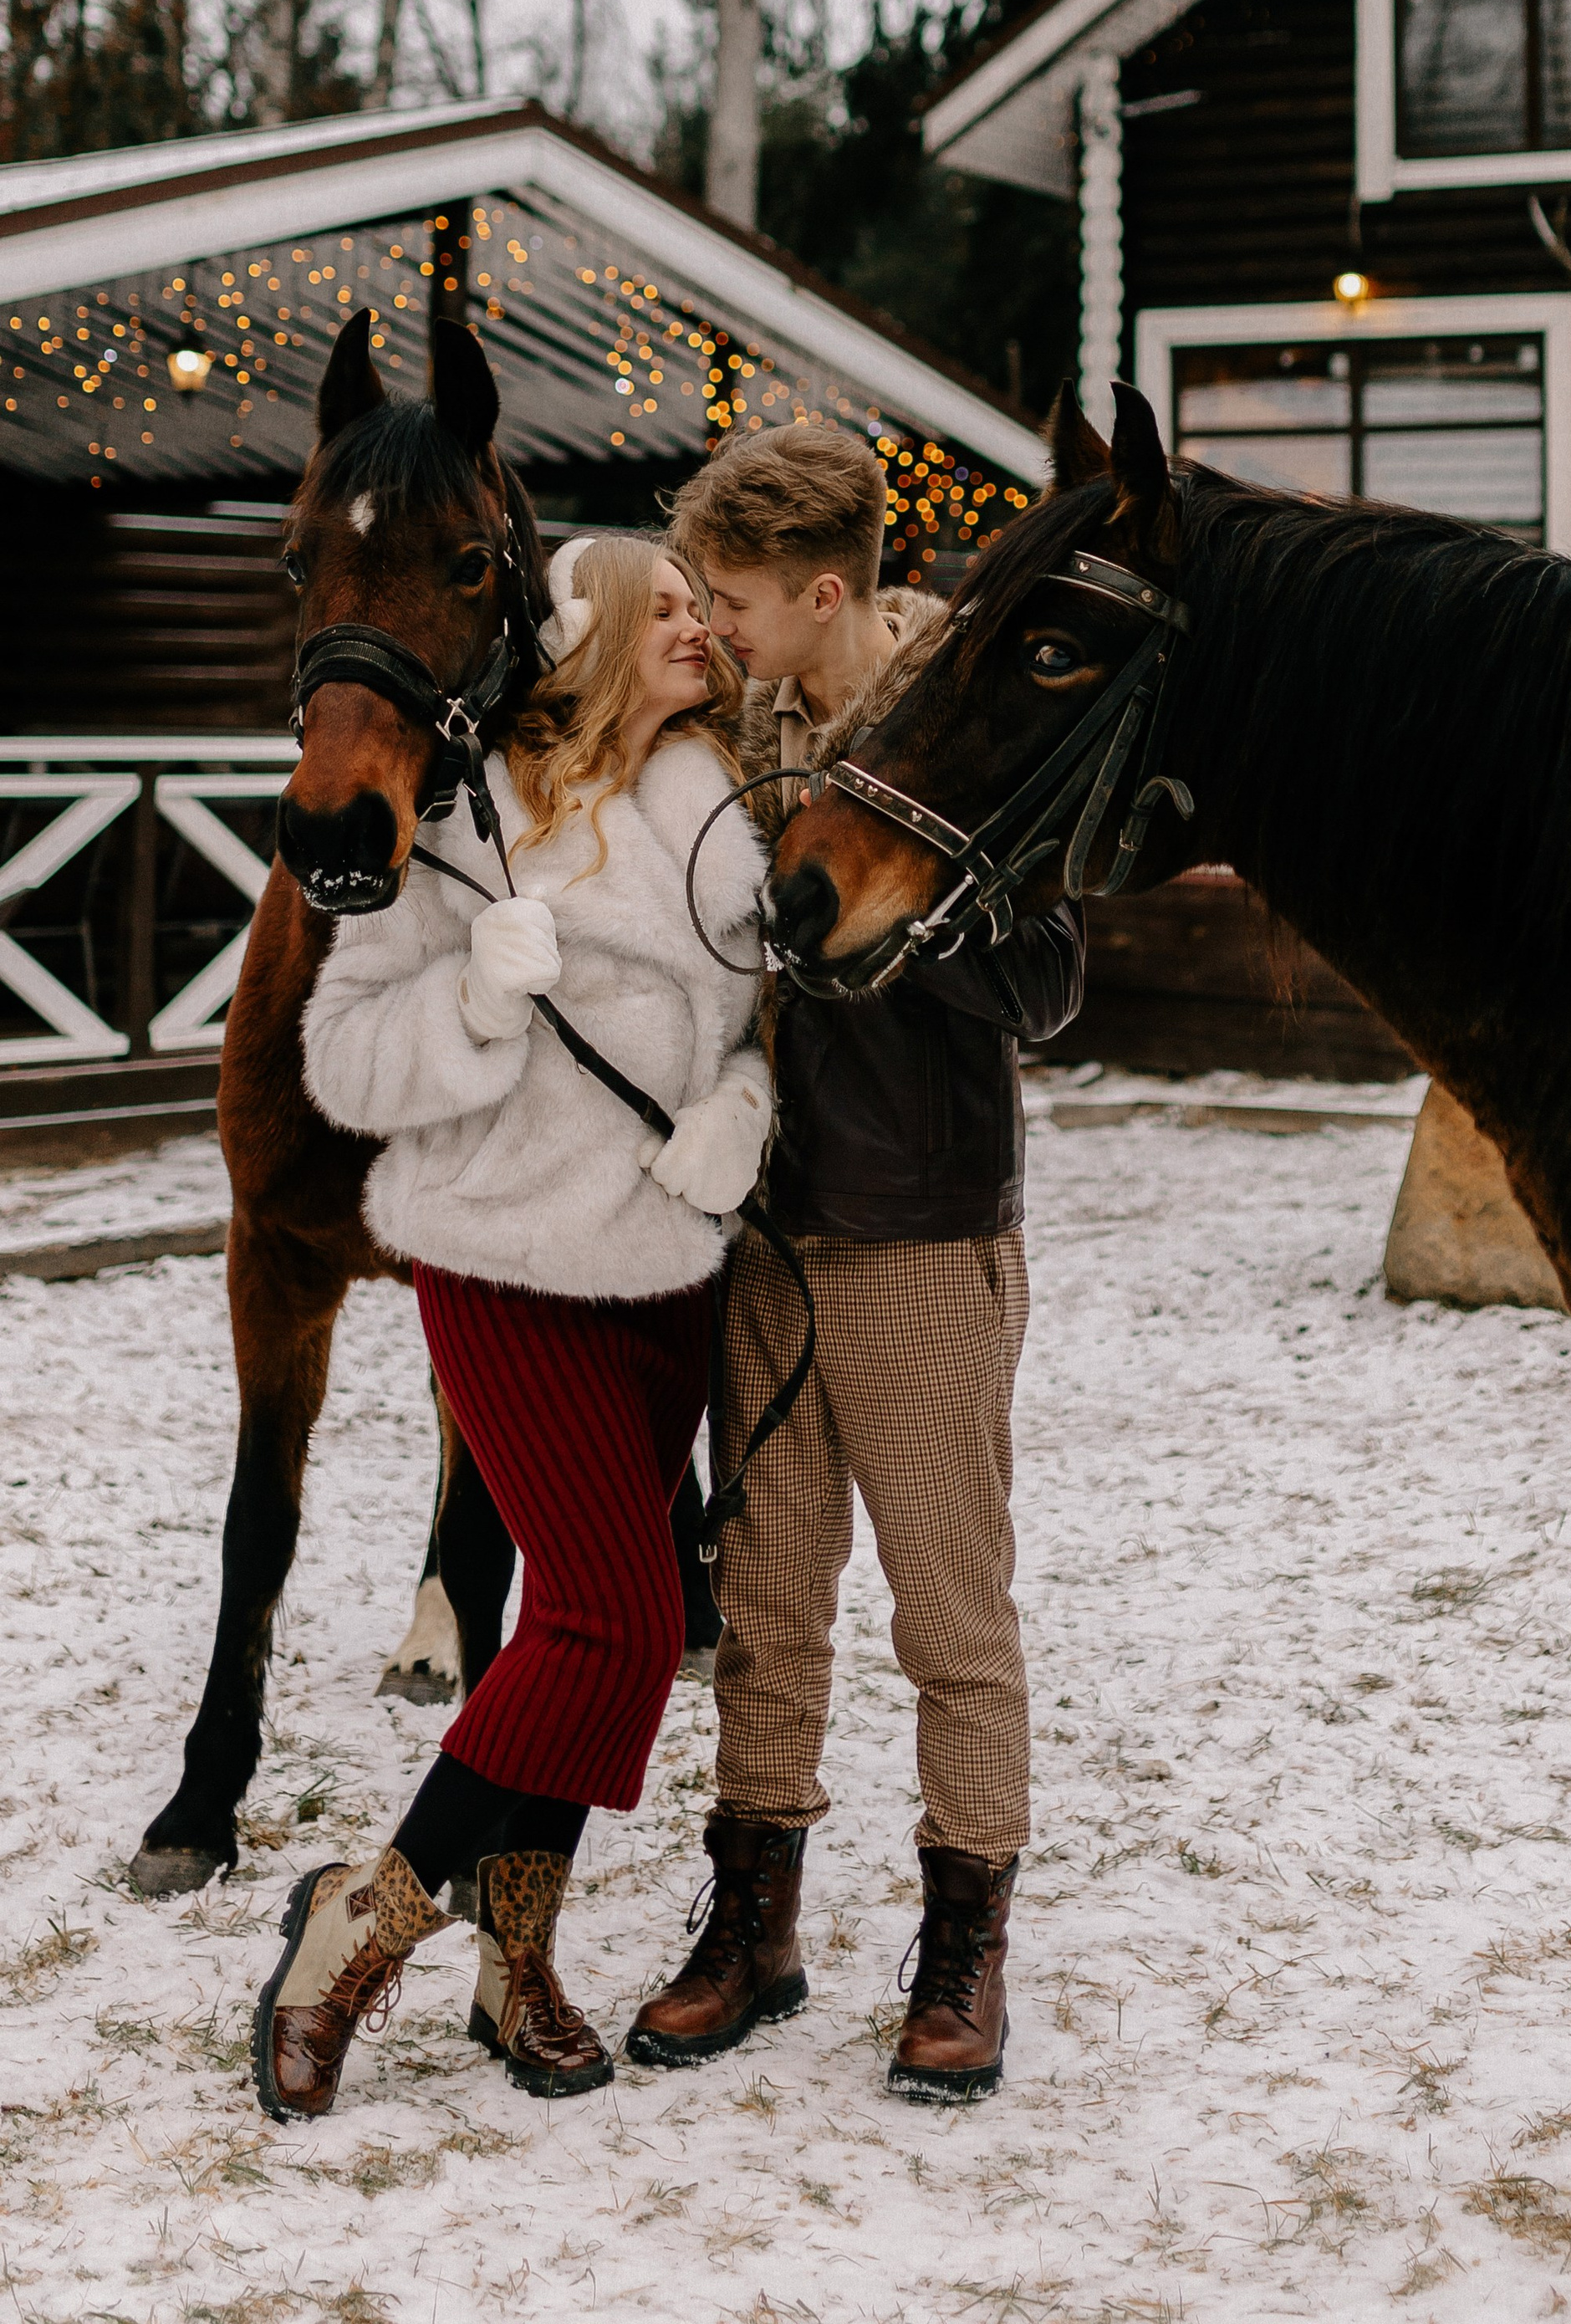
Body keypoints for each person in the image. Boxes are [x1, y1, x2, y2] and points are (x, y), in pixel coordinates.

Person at [254, 535, 772, 2122]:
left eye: (705, 603)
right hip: (500, 1266)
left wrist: (740, 1111)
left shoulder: (729, 822)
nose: (701, 625)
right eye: (667, 605)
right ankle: (370, 1916)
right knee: (617, 1616)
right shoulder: (462, 823)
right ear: (590, 634)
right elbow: (339, 1063)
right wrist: (470, 997)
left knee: (581, 1625)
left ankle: (517, 1958)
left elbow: (764, 1033)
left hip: (665, 1278)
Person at [628, 425, 1084, 2103]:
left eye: (737, 600)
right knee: (762, 1601)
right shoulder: (727, 729)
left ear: (829, 594)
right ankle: (752, 1922)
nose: (717, 625)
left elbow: (1046, 988)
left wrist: (911, 890)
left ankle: (964, 1944)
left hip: (918, 1227)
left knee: (948, 1615)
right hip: (759, 1233)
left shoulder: (965, 730)